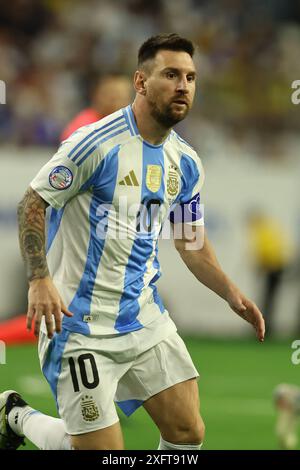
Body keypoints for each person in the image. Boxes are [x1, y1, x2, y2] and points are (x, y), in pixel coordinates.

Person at [0, 33, 265, 451]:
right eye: (171, 75)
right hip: (78, 326)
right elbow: (32, 202)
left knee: (188, 433)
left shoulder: (187, 162)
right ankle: (17, 416)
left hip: (143, 319)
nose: (183, 86)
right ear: (140, 83)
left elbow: (190, 241)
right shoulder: (95, 143)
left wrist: (231, 293)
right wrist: (38, 279)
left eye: (191, 77)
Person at [60, 74, 133, 141]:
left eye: (122, 97)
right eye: (112, 96)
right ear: (97, 95)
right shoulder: (85, 123)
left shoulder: (130, 124)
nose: (117, 103)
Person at [273, 383, 300, 449]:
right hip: (289, 410)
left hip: (295, 411)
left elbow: (296, 409)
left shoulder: (295, 398)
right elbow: (278, 404)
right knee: (280, 430)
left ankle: (288, 444)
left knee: (289, 430)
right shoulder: (280, 392)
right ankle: (283, 443)